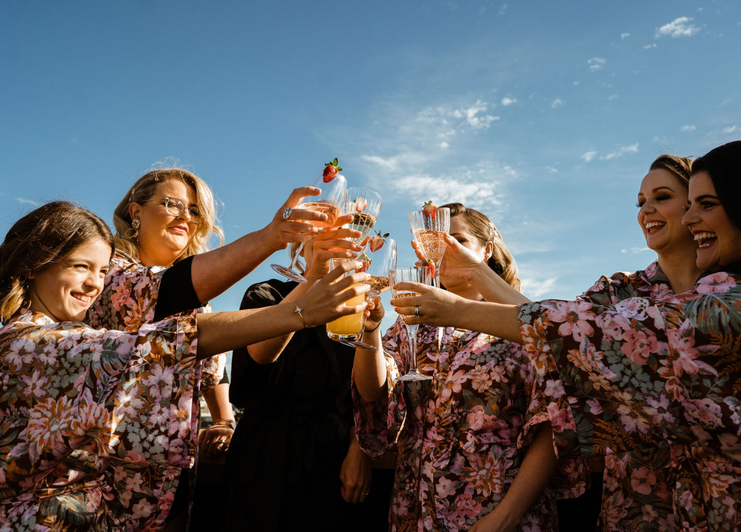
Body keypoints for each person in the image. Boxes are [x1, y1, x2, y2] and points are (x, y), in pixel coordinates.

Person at [391, 141, 741, 530]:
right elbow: (556, 332)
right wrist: (474, 273)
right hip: (639, 505)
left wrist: (458, 308)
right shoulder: (618, 292)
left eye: (695, 203)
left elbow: (573, 334)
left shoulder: (724, 304)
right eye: (640, 201)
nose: (648, 210)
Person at [0, 201, 369, 531]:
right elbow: (166, 342)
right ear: (34, 265)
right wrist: (298, 311)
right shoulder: (28, 344)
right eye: (82, 267)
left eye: (102, 272)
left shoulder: (54, 335)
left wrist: (223, 421)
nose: (96, 284)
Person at [84, 165, 328, 526]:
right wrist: (272, 237)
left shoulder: (198, 300)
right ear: (135, 211)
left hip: (172, 474)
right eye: (173, 204)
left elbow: (213, 372)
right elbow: (168, 292)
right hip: (104, 473)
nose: (186, 216)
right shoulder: (107, 270)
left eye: (194, 211)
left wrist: (224, 421)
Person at [352, 203, 583, 532]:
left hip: (498, 503)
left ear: (487, 250)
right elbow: (373, 391)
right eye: (435, 241)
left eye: (456, 239)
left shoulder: (520, 322)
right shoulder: (410, 323)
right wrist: (370, 330)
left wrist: (507, 516)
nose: (444, 250)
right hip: (417, 502)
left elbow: (554, 424)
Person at [222, 220, 388, 531]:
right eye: (323, 240)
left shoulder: (355, 307)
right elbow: (260, 355)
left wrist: (359, 448)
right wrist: (313, 280)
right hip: (263, 457)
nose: (333, 249)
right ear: (302, 248)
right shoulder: (267, 294)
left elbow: (367, 394)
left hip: (331, 459)